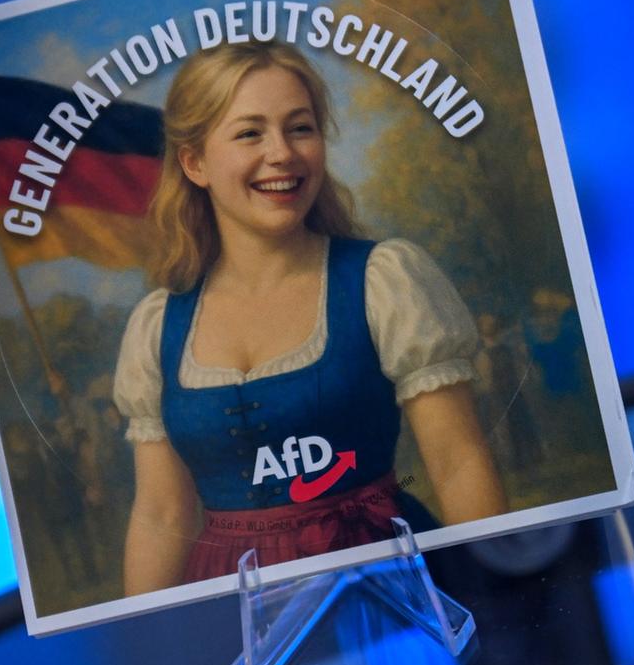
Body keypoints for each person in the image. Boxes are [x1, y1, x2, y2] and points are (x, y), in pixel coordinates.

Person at [113, 40, 507, 594]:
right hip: (235, 610)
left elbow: (456, 462)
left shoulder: (382, 281)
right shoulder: (158, 326)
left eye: (300, 128)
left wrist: (501, 596)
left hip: (389, 580)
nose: (282, 154)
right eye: (250, 133)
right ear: (195, 162)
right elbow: (161, 516)